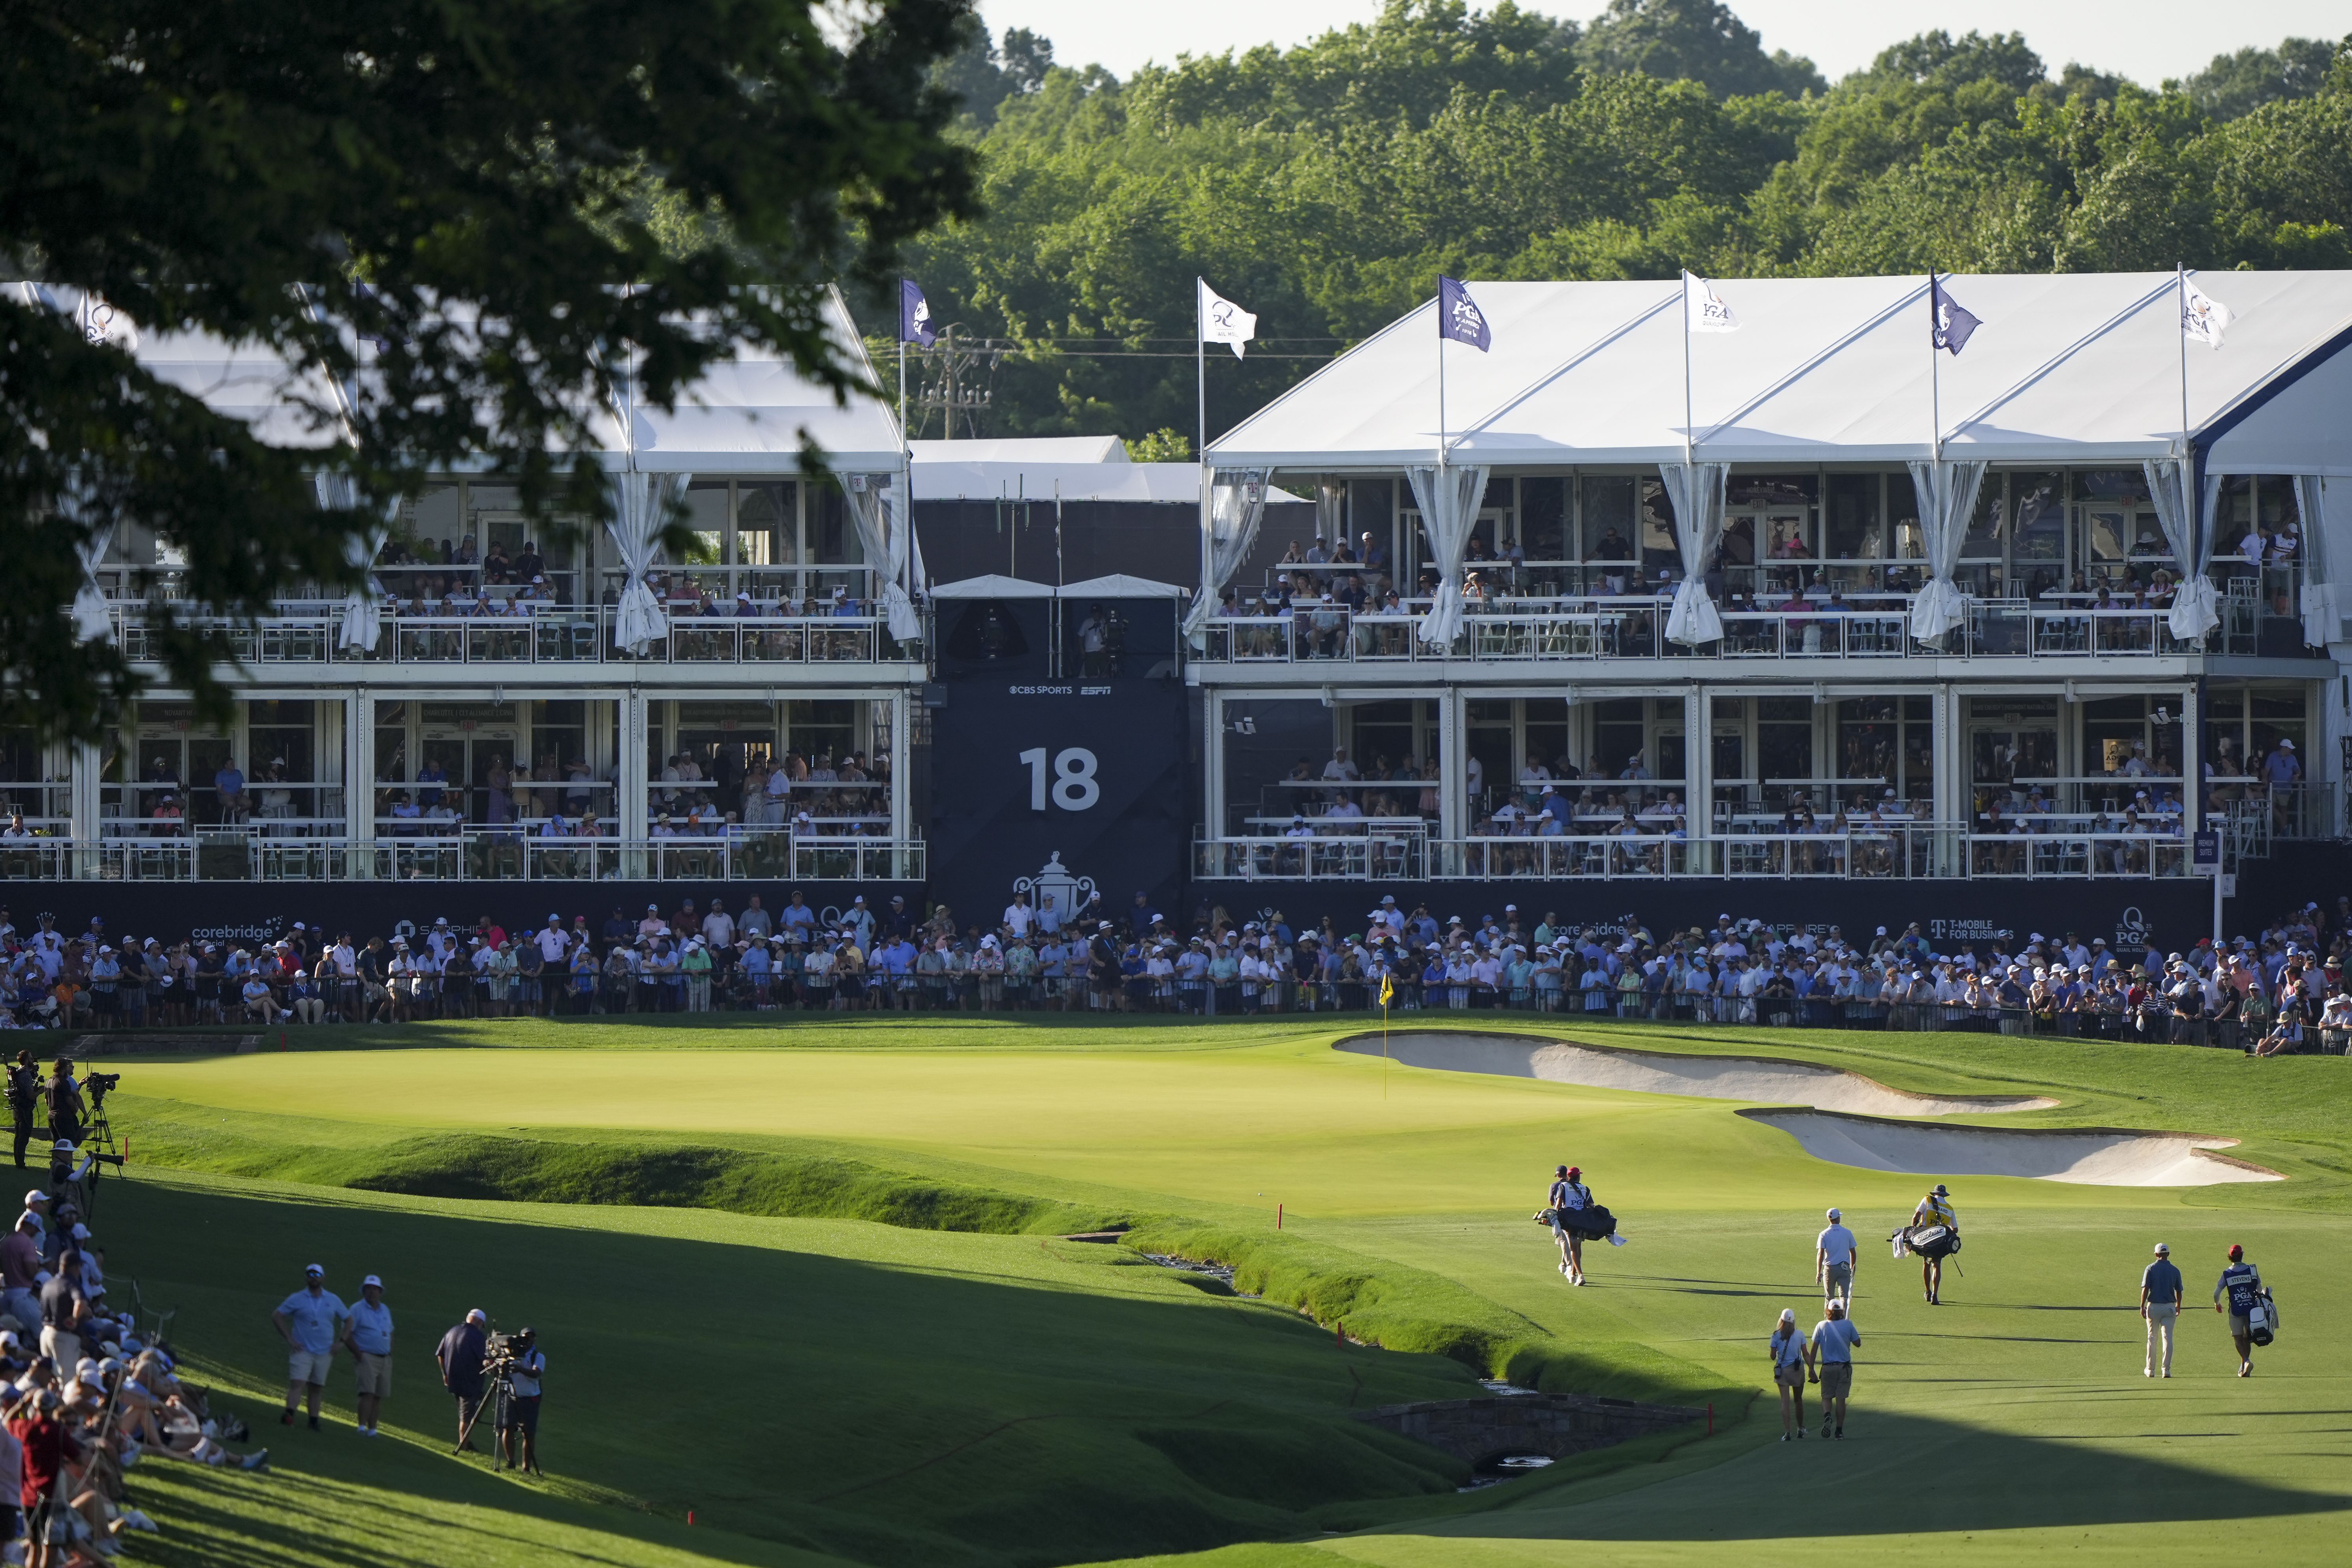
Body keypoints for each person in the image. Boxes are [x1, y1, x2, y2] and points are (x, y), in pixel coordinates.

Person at [272, 1262, 348, 1430]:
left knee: (316, 1388)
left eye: (317, 1275)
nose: (314, 1278)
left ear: (323, 1278)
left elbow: (348, 1319)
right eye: (310, 1275)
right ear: (306, 1278)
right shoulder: (297, 1298)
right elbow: (277, 1316)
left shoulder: (333, 1299)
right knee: (298, 1383)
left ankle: (313, 1421)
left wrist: (341, 1342)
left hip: (325, 1351)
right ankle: (289, 1415)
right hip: (303, 1349)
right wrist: (290, 1339)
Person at [345, 1273, 395, 1437]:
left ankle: (373, 1429)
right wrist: (359, 1354)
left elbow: (391, 1331)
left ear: (380, 1292)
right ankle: (361, 1427)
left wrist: (389, 1351)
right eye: (369, 1289)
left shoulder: (385, 1309)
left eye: (375, 1289)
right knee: (367, 1393)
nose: (372, 1292)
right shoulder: (356, 1309)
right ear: (364, 1291)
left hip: (384, 1358)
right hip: (367, 1356)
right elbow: (347, 1333)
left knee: (378, 1395)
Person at [435, 1308, 489, 1454]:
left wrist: (445, 1373)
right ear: (479, 1321)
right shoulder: (477, 1337)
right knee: (466, 1415)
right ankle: (463, 1445)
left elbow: (440, 1354)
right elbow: (485, 1360)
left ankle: (466, 1441)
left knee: (463, 1412)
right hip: (470, 1382)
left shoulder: (452, 1331)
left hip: (453, 1380)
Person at [1807, 1298, 1861, 1440]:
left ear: (1828, 1311)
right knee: (1841, 1400)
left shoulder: (1821, 1326)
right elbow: (1858, 1343)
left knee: (1826, 1397)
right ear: (1841, 1311)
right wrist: (1848, 1329)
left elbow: (1814, 1350)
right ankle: (1839, 1431)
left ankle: (1827, 1415)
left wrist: (1811, 1369)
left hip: (1828, 1368)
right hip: (1844, 1368)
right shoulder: (1848, 1325)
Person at [497, 1326, 545, 1477]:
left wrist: (520, 1369)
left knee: (529, 1434)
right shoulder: (511, 1353)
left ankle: (526, 1467)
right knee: (507, 1428)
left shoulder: (537, 1356)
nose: (528, 1340)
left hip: (529, 1398)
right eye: (525, 1337)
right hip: (511, 1396)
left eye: (531, 1338)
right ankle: (511, 1461)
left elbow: (536, 1373)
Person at [2213, 1243, 2263, 1378]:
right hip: (2252, 1310)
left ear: (2230, 1257)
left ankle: (2246, 1362)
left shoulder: (2227, 1274)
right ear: (2242, 1256)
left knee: (2238, 1338)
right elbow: (2260, 1290)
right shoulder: (2252, 1270)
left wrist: (2217, 1304)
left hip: (2235, 1310)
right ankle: (2244, 1367)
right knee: (2247, 1339)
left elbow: (2217, 1293)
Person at [2141, 1241, 2183, 1378]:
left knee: (2152, 1339)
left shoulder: (2150, 1269)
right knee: (2168, 1338)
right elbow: (2179, 1291)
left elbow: (2146, 1289)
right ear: (2168, 1254)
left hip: (2154, 1307)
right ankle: (2166, 1370)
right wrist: (2178, 1306)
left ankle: (2151, 1370)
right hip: (2170, 1307)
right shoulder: (2175, 1270)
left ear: (2157, 1254)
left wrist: (2142, 1306)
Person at [1911, 1182, 1956, 1305]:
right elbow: (1955, 1229)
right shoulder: (1950, 1209)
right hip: (1940, 1241)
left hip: (1926, 1238)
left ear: (1935, 1193)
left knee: (1926, 1263)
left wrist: (1912, 1231)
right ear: (1944, 1196)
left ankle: (1927, 1292)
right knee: (1937, 1266)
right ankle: (1935, 1296)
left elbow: (1916, 1216)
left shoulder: (1928, 1200)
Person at [1769, 1307, 1810, 1440]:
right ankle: (1800, 1428)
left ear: (1781, 1320)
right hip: (1798, 1370)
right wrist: (1812, 1370)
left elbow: (1773, 1357)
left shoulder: (1776, 1335)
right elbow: (1806, 1354)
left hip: (1783, 1372)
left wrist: (1775, 1350)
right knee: (1798, 1400)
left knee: (1785, 1402)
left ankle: (1787, 1432)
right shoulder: (1800, 1334)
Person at [1547, 1164, 1591, 1286]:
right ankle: (1572, 1274)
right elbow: (1591, 1205)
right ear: (1578, 1177)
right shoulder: (1585, 1188)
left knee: (1573, 1248)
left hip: (1569, 1220)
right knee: (1578, 1247)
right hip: (1582, 1221)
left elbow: (1558, 1204)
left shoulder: (1563, 1186)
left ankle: (1580, 1275)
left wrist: (1555, 1217)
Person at [1815, 1206, 1857, 1309]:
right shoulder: (1847, 1233)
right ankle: (1843, 1320)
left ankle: (1829, 1320)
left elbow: (1820, 1254)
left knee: (1829, 1298)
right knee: (1844, 1298)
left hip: (1829, 1270)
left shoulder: (1824, 1234)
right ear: (1838, 1218)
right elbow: (1853, 1252)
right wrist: (1852, 1269)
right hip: (1844, 1268)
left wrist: (1818, 1272)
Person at [5, 1053, 34, 1170]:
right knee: (24, 1136)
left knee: (18, 1136)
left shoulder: (18, 1071)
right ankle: (20, 1163)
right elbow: (31, 1095)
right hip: (25, 1109)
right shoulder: (25, 1075)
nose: (32, 1059)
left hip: (17, 1107)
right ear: (27, 1060)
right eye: (31, 1058)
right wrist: (40, 1091)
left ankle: (18, 1161)